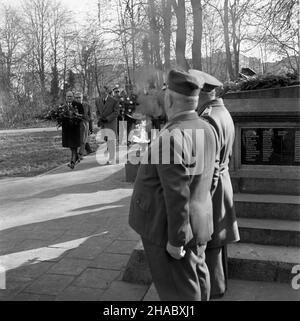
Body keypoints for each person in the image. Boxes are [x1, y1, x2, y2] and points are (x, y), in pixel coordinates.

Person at [129, 69, 219, 301]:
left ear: (169, 99)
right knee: (198, 278)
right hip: (198, 222)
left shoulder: (172, 137)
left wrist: (175, 240)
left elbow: (177, 195)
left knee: (178, 293)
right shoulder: (208, 128)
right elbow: (213, 176)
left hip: (168, 230)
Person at [189, 69, 240, 299]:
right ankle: (220, 286)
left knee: (209, 246)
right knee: (217, 244)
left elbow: (210, 167)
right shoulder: (222, 111)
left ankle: (214, 290)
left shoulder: (207, 118)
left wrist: (201, 200)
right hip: (223, 185)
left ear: (200, 93)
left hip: (213, 188)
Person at [61, 91, 84, 169]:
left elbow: (82, 116)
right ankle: (76, 157)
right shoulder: (63, 106)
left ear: (73, 97)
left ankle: (72, 162)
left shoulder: (78, 105)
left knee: (74, 146)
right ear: (66, 97)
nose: (69, 98)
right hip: (67, 129)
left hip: (75, 128)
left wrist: (75, 120)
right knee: (71, 146)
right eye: (68, 96)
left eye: (71, 96)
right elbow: (60, 117)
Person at [95, 86, 119, 164]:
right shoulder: (98, 100)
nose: (102, 94)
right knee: (107, 140)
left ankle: (112, 158)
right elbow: (97, 111)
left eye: (104, 93)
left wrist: (107, 119)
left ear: (107, 92)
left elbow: (116, 112)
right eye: (101, 93)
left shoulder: (114, 101)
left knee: (111, 140)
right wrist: (100, 118)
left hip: (111, 123)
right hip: (103, 124)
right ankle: (110, 155)